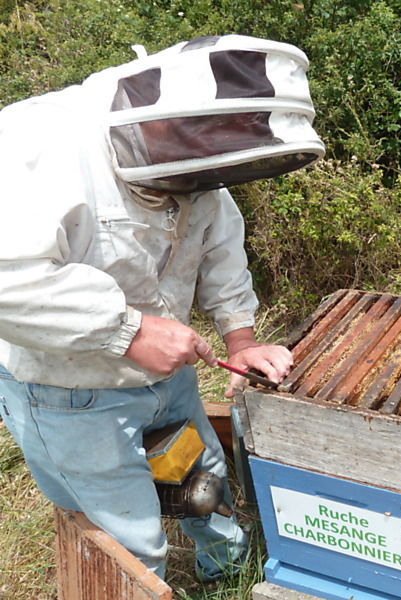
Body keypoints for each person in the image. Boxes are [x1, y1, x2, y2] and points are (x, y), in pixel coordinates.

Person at [0, 34, 324, 581]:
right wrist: (126, 332)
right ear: (157, 121)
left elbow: (219, 243)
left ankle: (228, 580)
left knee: (203, 485)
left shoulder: (195, 157)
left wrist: (240, 340)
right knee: (129, 545)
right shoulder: (35, 142)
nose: (201, 188)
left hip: (167, 377)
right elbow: (9, 279)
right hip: (70, 392)